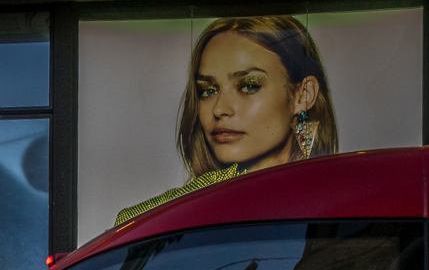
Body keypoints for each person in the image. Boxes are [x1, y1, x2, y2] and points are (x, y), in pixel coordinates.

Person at [116, 14, 338, 225]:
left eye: (248, 86)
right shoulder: (152, 222)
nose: (220, 109)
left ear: (303, 95)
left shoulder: (341, 201)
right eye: (207, 90)